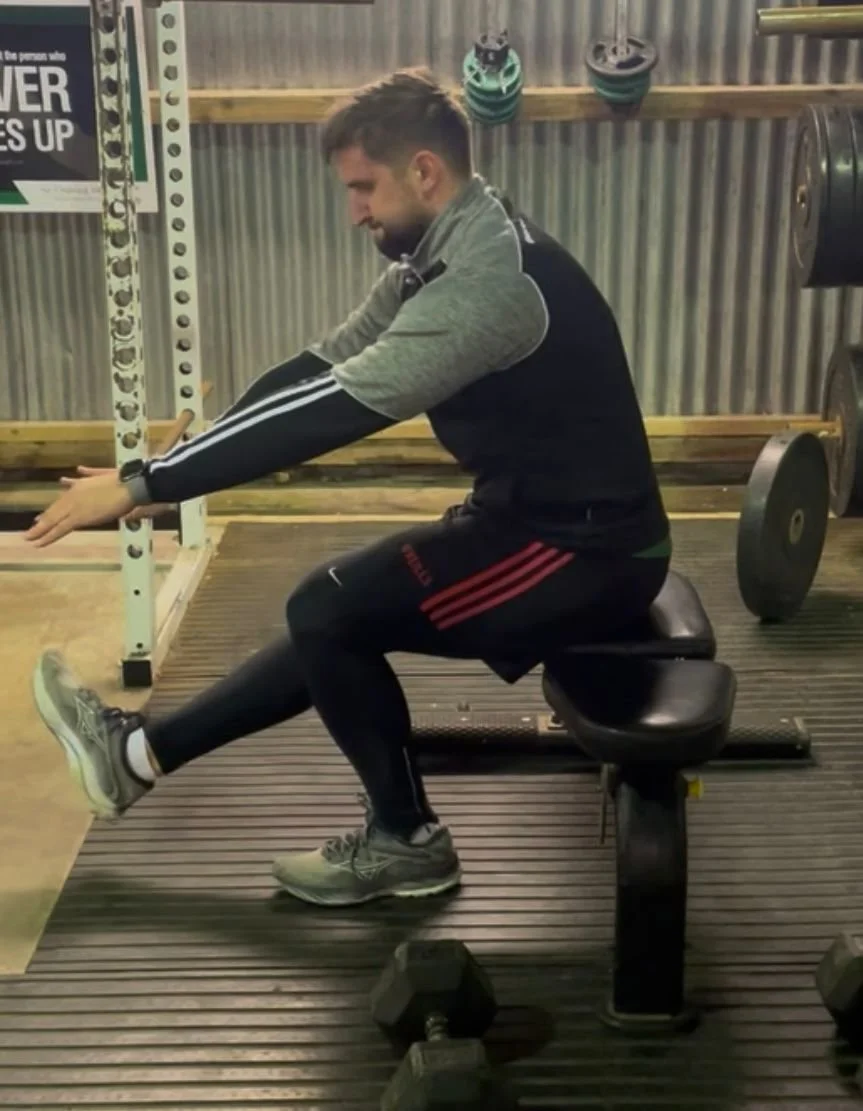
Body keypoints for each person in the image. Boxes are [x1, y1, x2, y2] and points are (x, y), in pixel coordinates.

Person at [26, 68, 671, 908]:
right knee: (332, 611)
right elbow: (320, 366)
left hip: (587, 552)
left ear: (423, 172)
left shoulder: (484, 285)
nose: (355, 211)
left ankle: (405, 839)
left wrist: (149, 480)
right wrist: (169, 475)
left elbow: (331, 410)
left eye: (364, 188)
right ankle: (134, 757)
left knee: (328, 608)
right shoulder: (439, 255)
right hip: (529, 519)